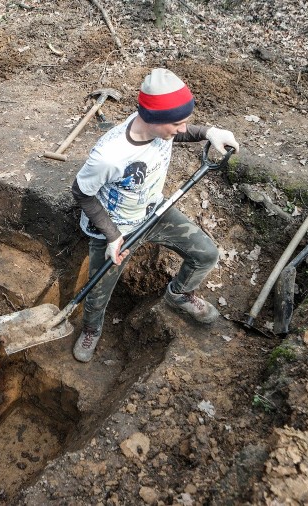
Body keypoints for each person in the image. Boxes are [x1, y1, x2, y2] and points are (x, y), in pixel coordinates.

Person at [71, 68, 240, 363]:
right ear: (152, 118)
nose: (182, 128)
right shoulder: (109, 156)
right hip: (115, 228)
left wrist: (210, 133)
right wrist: (111, 236)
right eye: (177, 123)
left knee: (206, 254)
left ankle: (178, 294)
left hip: (153, 212)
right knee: (99, 290)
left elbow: (184, 133)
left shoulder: (163, 129)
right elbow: (81, 192)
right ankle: (91, 328)